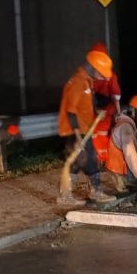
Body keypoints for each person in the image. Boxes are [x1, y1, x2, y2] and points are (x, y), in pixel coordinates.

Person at [57, 49, 117, 205]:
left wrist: (96, 112)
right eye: (101, 73)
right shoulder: (78, 82)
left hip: (85, 129)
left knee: (82, 162)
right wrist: (77, 137)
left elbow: (84, 106)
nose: (103, 77)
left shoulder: (87, 81)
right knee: (85, 161)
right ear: (93, 68)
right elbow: (71, 112)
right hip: (76, 131)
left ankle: (76, 195)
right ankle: (76, 195)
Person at [89, 42, 122, 164]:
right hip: (94, 109)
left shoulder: (106, 75)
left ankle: (104, 158)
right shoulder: (92, 76)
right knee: (95, 134)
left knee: (99, 134)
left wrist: (117, 113)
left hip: (105, 110)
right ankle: (100, 158)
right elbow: (115, 95)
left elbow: (115, 95)